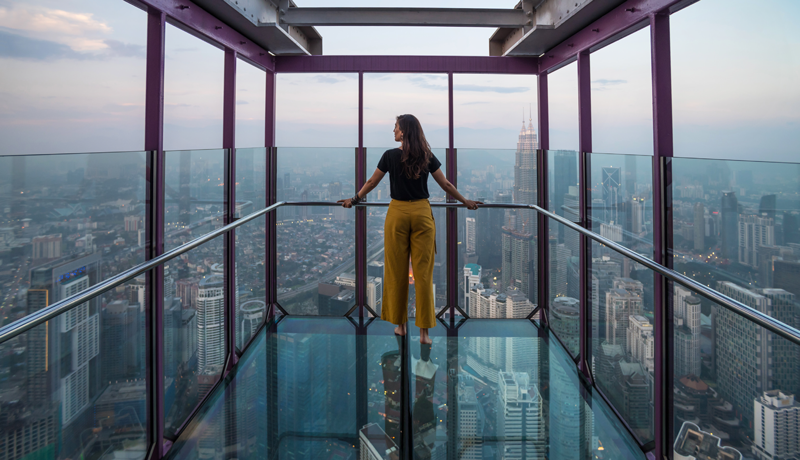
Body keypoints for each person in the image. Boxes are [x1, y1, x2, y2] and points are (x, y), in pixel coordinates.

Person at [338, 114, 480, 344]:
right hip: (423, 214)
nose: (392, 131)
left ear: (403, 131)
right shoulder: (427, 156)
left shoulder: (390, 156)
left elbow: (372, 182)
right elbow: (445, 184)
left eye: (395, 127)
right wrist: (465, 201)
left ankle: (401, 327)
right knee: (423, 274)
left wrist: (353, 199)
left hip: (398, 214)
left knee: (396, 272)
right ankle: (424, 334)